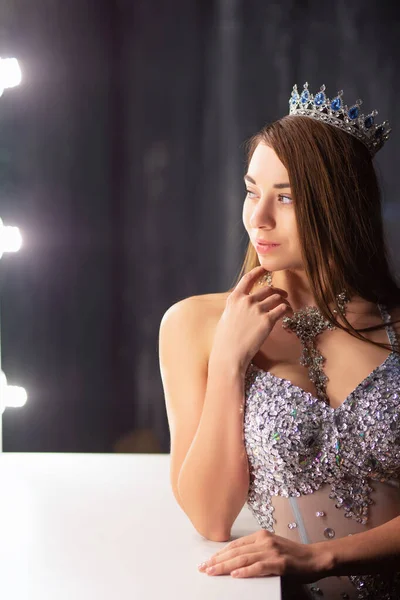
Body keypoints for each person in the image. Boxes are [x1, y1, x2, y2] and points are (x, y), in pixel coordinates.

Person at [158, 82, 400, 599]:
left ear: (342, 206)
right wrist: (228, 360)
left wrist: (324, 556)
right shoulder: (193, 325)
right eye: (252, 191)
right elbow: (210, 519)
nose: (258, 218)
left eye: (286, 197)